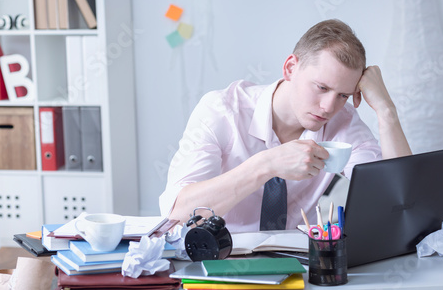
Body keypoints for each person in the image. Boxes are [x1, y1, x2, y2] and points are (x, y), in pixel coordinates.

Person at [159, 19, 411, 232]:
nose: (328, 106)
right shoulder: (221, 111)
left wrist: (386, 111)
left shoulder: (342, 120)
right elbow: (176, 217)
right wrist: (267, 164)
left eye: (343, 95)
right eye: (321, 87)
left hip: (302, 268)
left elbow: (400, 204)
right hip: (224, 263)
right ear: (291, 68)